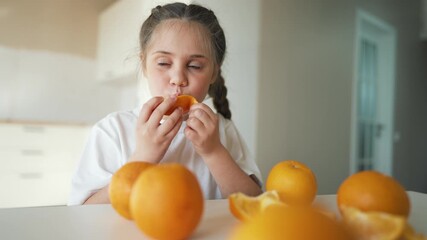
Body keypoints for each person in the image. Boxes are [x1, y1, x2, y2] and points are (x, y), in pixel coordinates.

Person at [68, 2, 262, 205]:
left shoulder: (223, 130)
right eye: (163, 63)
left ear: (214, 72)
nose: (178, 78)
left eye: (195, 65)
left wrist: (213, 152)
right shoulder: (113, 130)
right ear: (144, 64)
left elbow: (256, 204)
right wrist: (143, 157)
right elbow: (83, 212)